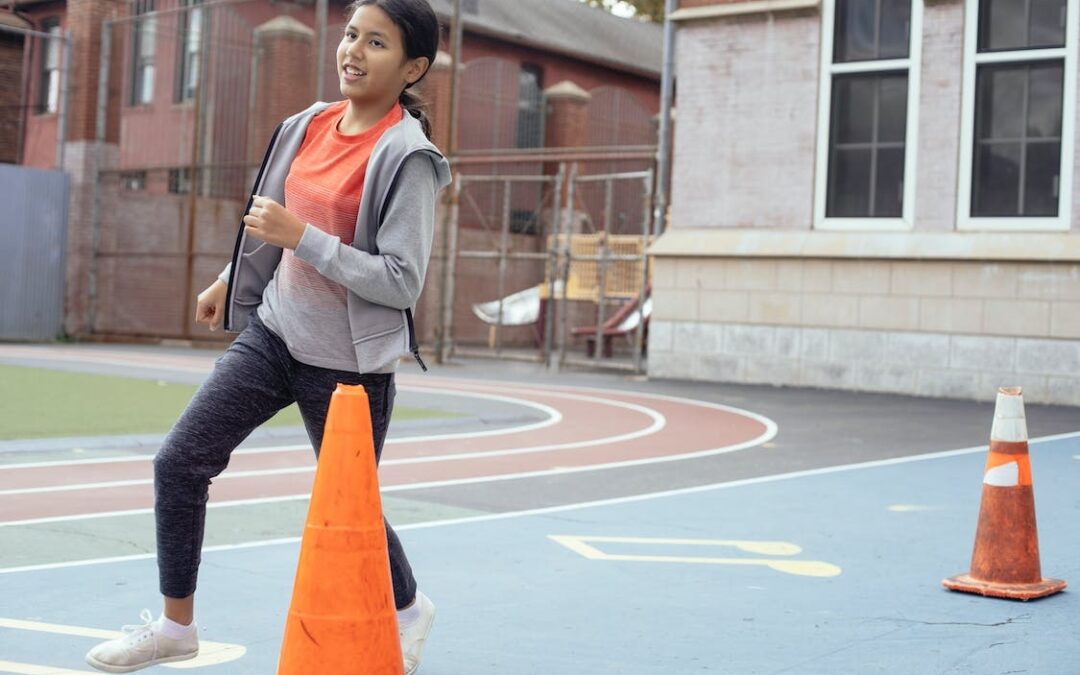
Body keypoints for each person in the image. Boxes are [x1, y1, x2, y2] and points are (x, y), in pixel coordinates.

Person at [85, 0, 449, 672]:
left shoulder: (411, 159)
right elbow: (274, 225)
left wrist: (300, 239)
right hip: (275, 334)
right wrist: (231, 275)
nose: (353, 51)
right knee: (180, 460)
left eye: (376, 43)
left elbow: (399, 281)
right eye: (350, 35)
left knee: (353, 508)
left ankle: (408, 606)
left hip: (348, 368)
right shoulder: (307, 125)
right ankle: (174, 626)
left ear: (412, 68)